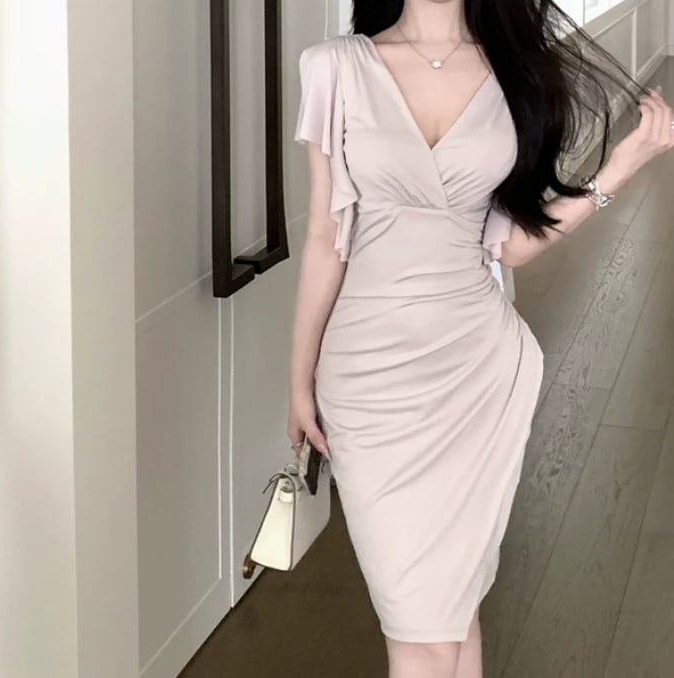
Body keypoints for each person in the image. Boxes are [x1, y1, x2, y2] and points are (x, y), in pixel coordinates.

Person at [286, 1, 674, 676]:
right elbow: (326, 237)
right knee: (422, 623)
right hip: (368, 379)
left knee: (451, 610)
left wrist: (623, 164)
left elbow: (513, 246)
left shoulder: (520, 73)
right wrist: (298, 380)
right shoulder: (332, 68)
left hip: (477, 373)